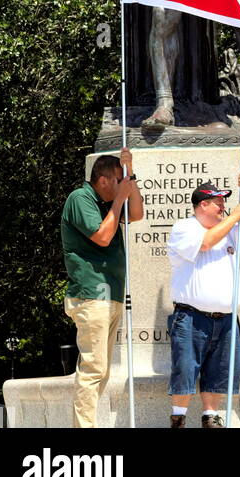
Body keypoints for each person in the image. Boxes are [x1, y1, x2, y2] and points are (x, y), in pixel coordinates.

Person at [61, 149, 144, 428]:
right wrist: (119, 198)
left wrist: (130, 172)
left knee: (102, 370)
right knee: (93, 369)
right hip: (91, 294)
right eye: (119, 179)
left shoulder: (109, 201)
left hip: (110, 294)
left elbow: (137, 214)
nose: (123, 184)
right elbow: (103, 236)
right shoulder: (81, 198)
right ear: (104, 179)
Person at [167, 174, 240, 428]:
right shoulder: (185, 227)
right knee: (185, 369)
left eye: (223, 202)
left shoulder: (230, 230)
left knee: (219, 371)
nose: (223, 207)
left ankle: (211, 417)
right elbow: (205, 244)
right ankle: (178, 418)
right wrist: (233, 218)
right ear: (202, 205)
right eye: (217, 202)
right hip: (192, 317)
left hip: (226, 318)